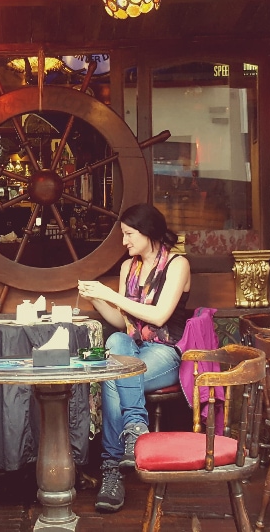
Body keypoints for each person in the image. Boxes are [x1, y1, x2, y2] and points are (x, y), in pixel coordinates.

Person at [78, 202, 191, 513]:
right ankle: (136, 430)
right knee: (115, 340)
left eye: (128, 234)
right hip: (131, 349)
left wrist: (110, 294)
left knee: (114, 375)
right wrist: (98, 299)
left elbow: (158, 315)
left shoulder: (177, 265)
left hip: (165, 353)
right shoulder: (130, 268)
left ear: (148, 232)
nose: (124, 241)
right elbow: (121, 322)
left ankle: (111, 470)